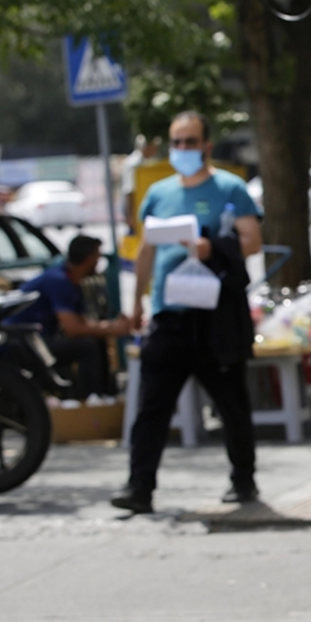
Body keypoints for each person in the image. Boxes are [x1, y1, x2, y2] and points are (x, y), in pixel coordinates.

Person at [113, 110, 263, 515]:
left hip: (214, 316)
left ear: (206, 146)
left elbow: (252, 241)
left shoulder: (231, 188)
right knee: (152, 405)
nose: (182, 149)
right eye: (176, 142)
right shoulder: (158, 194)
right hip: (170, 314)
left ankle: (243, 481)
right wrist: (137, 302)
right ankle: (139, 487)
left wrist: (211, 248)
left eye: (190, 142)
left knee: (231, 403)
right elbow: (145, 251)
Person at [4, 235, 132, 399]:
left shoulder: (73, 282)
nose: (98, 263)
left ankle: (105, 395)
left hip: (39, 339)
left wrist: (111, 327)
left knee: (97, 340)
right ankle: (89, 399)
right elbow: (73, 329)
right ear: (88, 259)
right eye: (97, 257)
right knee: (87, 346)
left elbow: (83, 323)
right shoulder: (59, 280)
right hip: (22, 344)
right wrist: (113, 328)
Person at [121, 134, 160, 230]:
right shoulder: (133, 164)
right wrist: (130, 217)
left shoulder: (151, 161)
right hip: (137, 210)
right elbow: (129, 191)